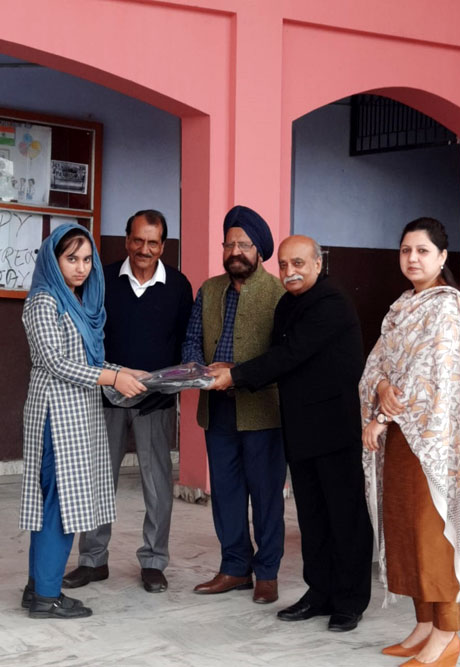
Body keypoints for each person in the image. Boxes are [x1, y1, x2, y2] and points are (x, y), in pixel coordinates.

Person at [210, 234, 373, 631]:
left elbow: (290, 355)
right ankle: (319, 593)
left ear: (318, 263)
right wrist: (233, 370)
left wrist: (236, 376)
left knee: (344, 516)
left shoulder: (331, 302)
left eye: (298, 263)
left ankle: (350, 601)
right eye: (283, 265)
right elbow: (278, 359)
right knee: (313, 518)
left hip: (335, 429)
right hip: (300, 428)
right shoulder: (287, 304)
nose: (290, 272)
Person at [360, 217, 460, 666]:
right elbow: (376, 365)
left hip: (438, 443)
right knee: (406, 531)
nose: (413, 258)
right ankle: (423, 624)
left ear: (442, 257)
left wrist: (381, 416)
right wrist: (381, 387)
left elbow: (429, 375)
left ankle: (447, 633)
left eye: (422, 251)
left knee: (434, 532)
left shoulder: (446, 308)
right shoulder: (401, 307)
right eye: (406, 250)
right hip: (404, 440)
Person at [63, 210, 193, 594]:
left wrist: (171, 387)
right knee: (98, 482)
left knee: (157, 486)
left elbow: (185, 342)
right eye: (138, 240)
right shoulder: (101, 280)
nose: (144, 249)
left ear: (163, 246)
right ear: (126, 241)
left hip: (156, 401)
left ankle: (153, 561)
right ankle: (93, 560)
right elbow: (87, 337)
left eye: (152, 242)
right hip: (106, 396)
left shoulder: (178, 286)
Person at [20, 223, 146, 619]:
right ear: (53, 260)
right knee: (59, 506)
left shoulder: (77, 301)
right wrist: (113, 378)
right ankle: (46, 596)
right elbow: (56, 363)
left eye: (87, 259)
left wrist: (126, 372)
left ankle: (38, 588)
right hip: (56, 415)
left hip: (77, 414)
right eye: (71, 258)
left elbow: (89, 361)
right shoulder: (44, 301)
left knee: (56, 504)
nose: (81, 268)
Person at [182, 205, 286, 604]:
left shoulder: (278, 294)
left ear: (259, 250)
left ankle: (268, 573)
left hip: (263, 411)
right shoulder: (209, 290)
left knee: (266, 496)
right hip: (217, 408)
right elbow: (192, 339)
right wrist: (199, 368)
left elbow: (282, 355)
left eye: (244, 244)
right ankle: (235, 568)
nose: (235, 251)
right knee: (225, 493)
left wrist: (237, 372)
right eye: (229, 244)